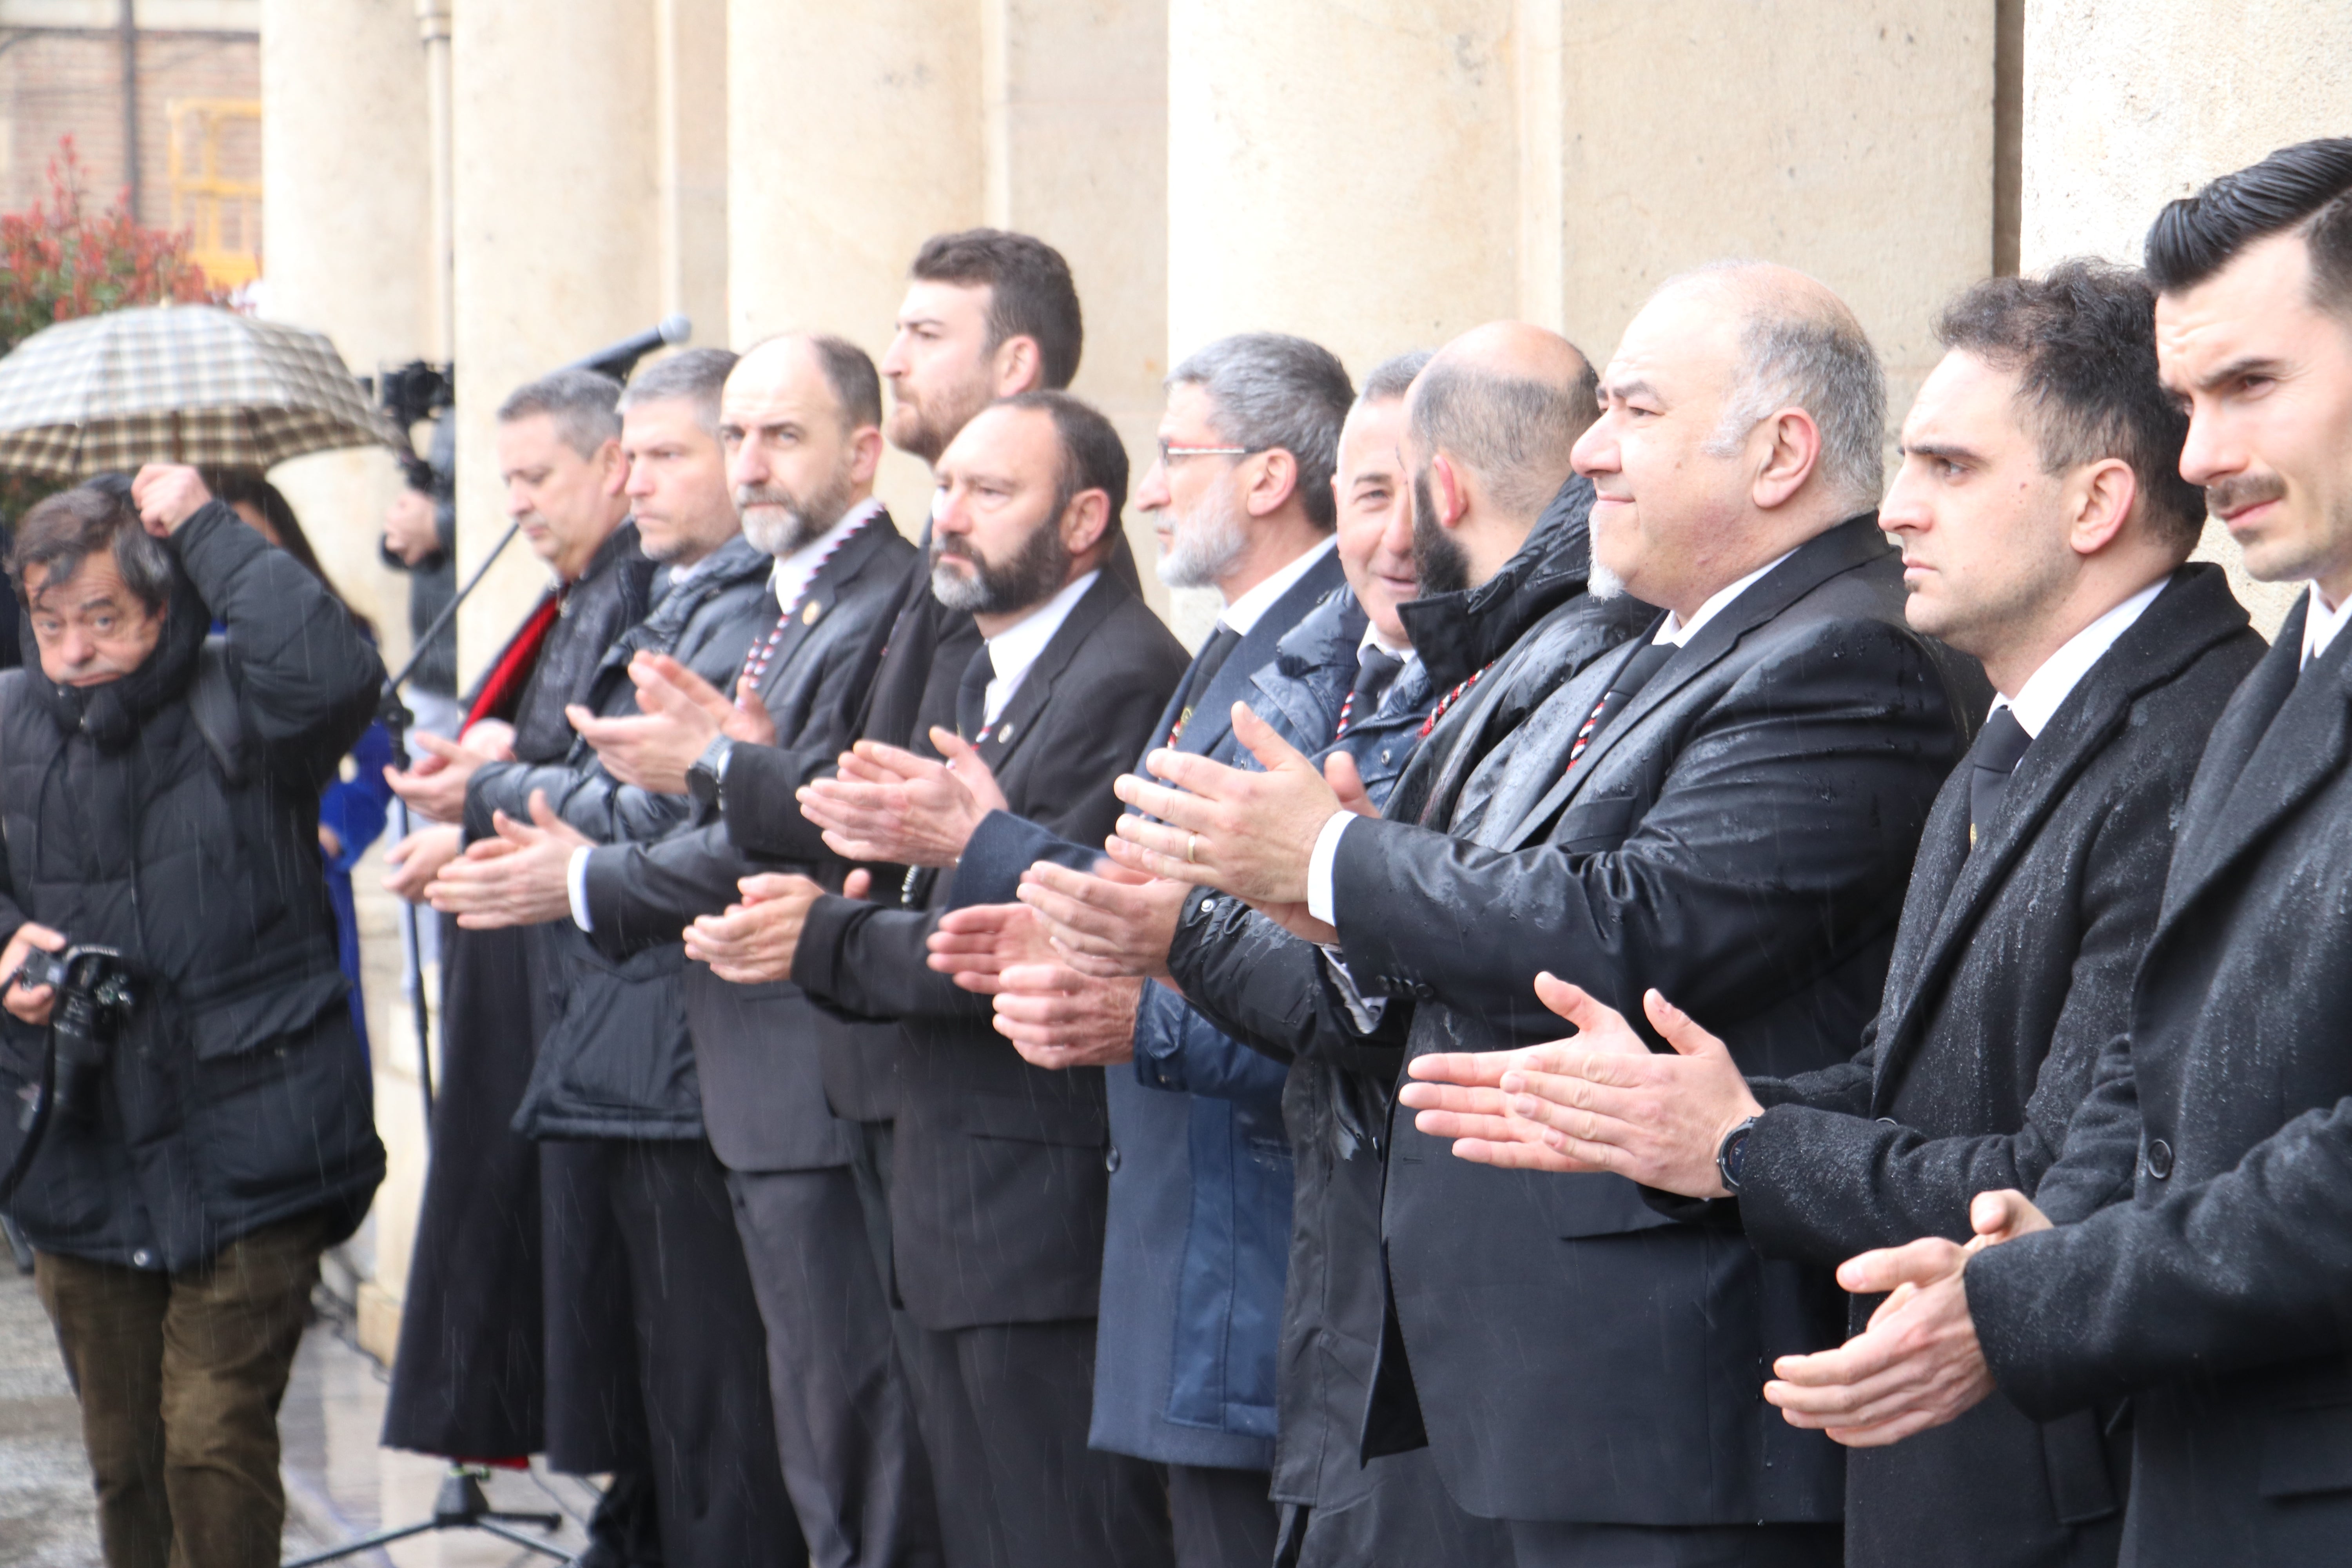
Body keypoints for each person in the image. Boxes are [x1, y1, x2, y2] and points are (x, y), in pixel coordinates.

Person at [1115, 265, 1982, 1566]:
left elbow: (1640, 923)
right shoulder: (1685, 636)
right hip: (1553, 1381)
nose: (1587, 452)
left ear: (1782, 454)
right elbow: (1514, 893)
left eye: (1632, 412)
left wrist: (1337, 860)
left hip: (1671, 1400)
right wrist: (1327, 892)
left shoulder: (1847, 651)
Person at [1403, 262, 2265, 1567]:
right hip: (1952, 1475)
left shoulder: (2192, 737)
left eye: (1952, 470)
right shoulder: (2024, 726)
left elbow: (2075, 1175)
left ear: (2097, 503)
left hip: (2067, 1484)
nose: (1899, 510)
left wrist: (1741, 1144)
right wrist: (1669, 1113)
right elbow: (1913, 1081)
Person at [1751, 138, 2352, 1566]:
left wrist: (2037, 1293)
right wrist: (2050, 1235)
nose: (2199, 456)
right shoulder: (2282, 675)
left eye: (2252, 386)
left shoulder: (2207, 695)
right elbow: (2160, 1063)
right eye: (2190, 400)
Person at [856, 331, 1355, 1566]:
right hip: (1178, 1219)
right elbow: (1157, 895)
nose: (1153, 491)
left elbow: (1287, 954)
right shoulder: (1240, 642)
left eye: (1179, 456)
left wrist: (993, 848)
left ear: (1267, 477)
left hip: (1228, 1221)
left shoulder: (1291, 650)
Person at [445, 334, 941, 1568]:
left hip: (814, 1073)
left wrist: (577, 871)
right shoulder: (784, 598)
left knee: (845, 1446)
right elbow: (730, 806)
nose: (751, 464)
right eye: (737, 437)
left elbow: (800, 826)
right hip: (748, 1080)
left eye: (781, 438)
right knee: (804, 1440)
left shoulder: (884, 597)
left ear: (866, 450)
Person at [679, 391, 1191, 1568]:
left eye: (989, 493)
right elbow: (925, 893)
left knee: (1057, 1532)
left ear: (1085, 519)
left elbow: (1009, 940)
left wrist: (819, 936)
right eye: (945, 488)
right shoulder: (976, 665)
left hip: (1035, 1201)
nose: (947, 518)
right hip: (941, 1173)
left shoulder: (1120, 669)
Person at [0, 465, 385, 1568]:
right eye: (50, 619)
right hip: (81, 1142)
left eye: (104, 619)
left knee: (212, 1439)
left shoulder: (244, 700)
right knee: (126, 1458)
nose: (71, 650)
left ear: (166, 612)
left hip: (251, 1133)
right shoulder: (11, 722)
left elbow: (332, 670)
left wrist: (205, 525)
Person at [377, 370, 655, 1540]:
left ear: (616, 467)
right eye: (508, 482)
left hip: (598, 990)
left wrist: (488, 788)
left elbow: (610, 785)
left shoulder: (637, 590)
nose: (519, 505)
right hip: (534, 978)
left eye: (539, 477)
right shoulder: (574, 588)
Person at [212, 471, 397, 1056]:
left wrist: (334, 833)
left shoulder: (336, 635)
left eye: (252, 538)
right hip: (211, 883)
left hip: (304, 870)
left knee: (327, 1054)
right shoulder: (179, 644)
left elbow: (380, 763)